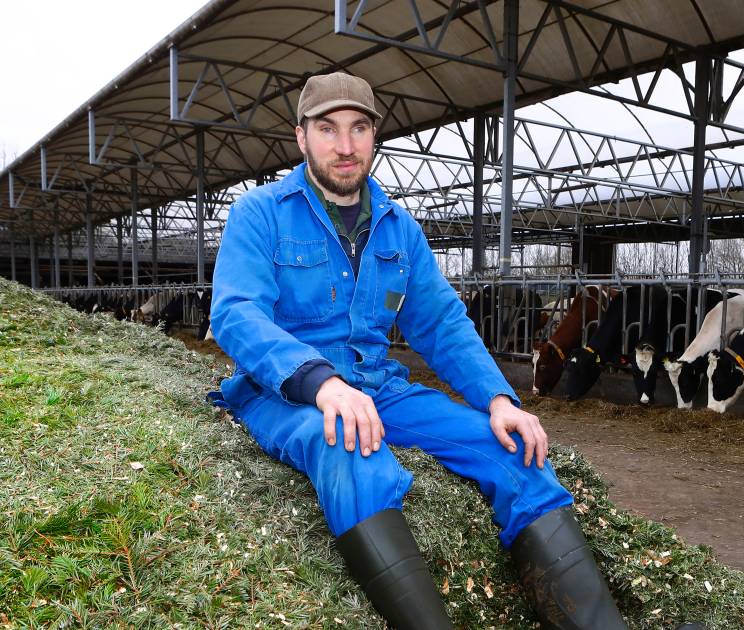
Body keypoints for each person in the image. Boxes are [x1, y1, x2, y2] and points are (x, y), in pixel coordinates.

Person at [209, 72, 626, 629]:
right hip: (284, 390)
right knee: (351, 449)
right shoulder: (260, 213)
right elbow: (236, 312)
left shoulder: (398, 228)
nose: (345, 145)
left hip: (379, 387)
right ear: (301, 136)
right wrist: (320, 382)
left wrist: (498, 398)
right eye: (327, 129)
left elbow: (441, 322)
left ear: (374, 136)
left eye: (359, 128)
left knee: (516, 453)